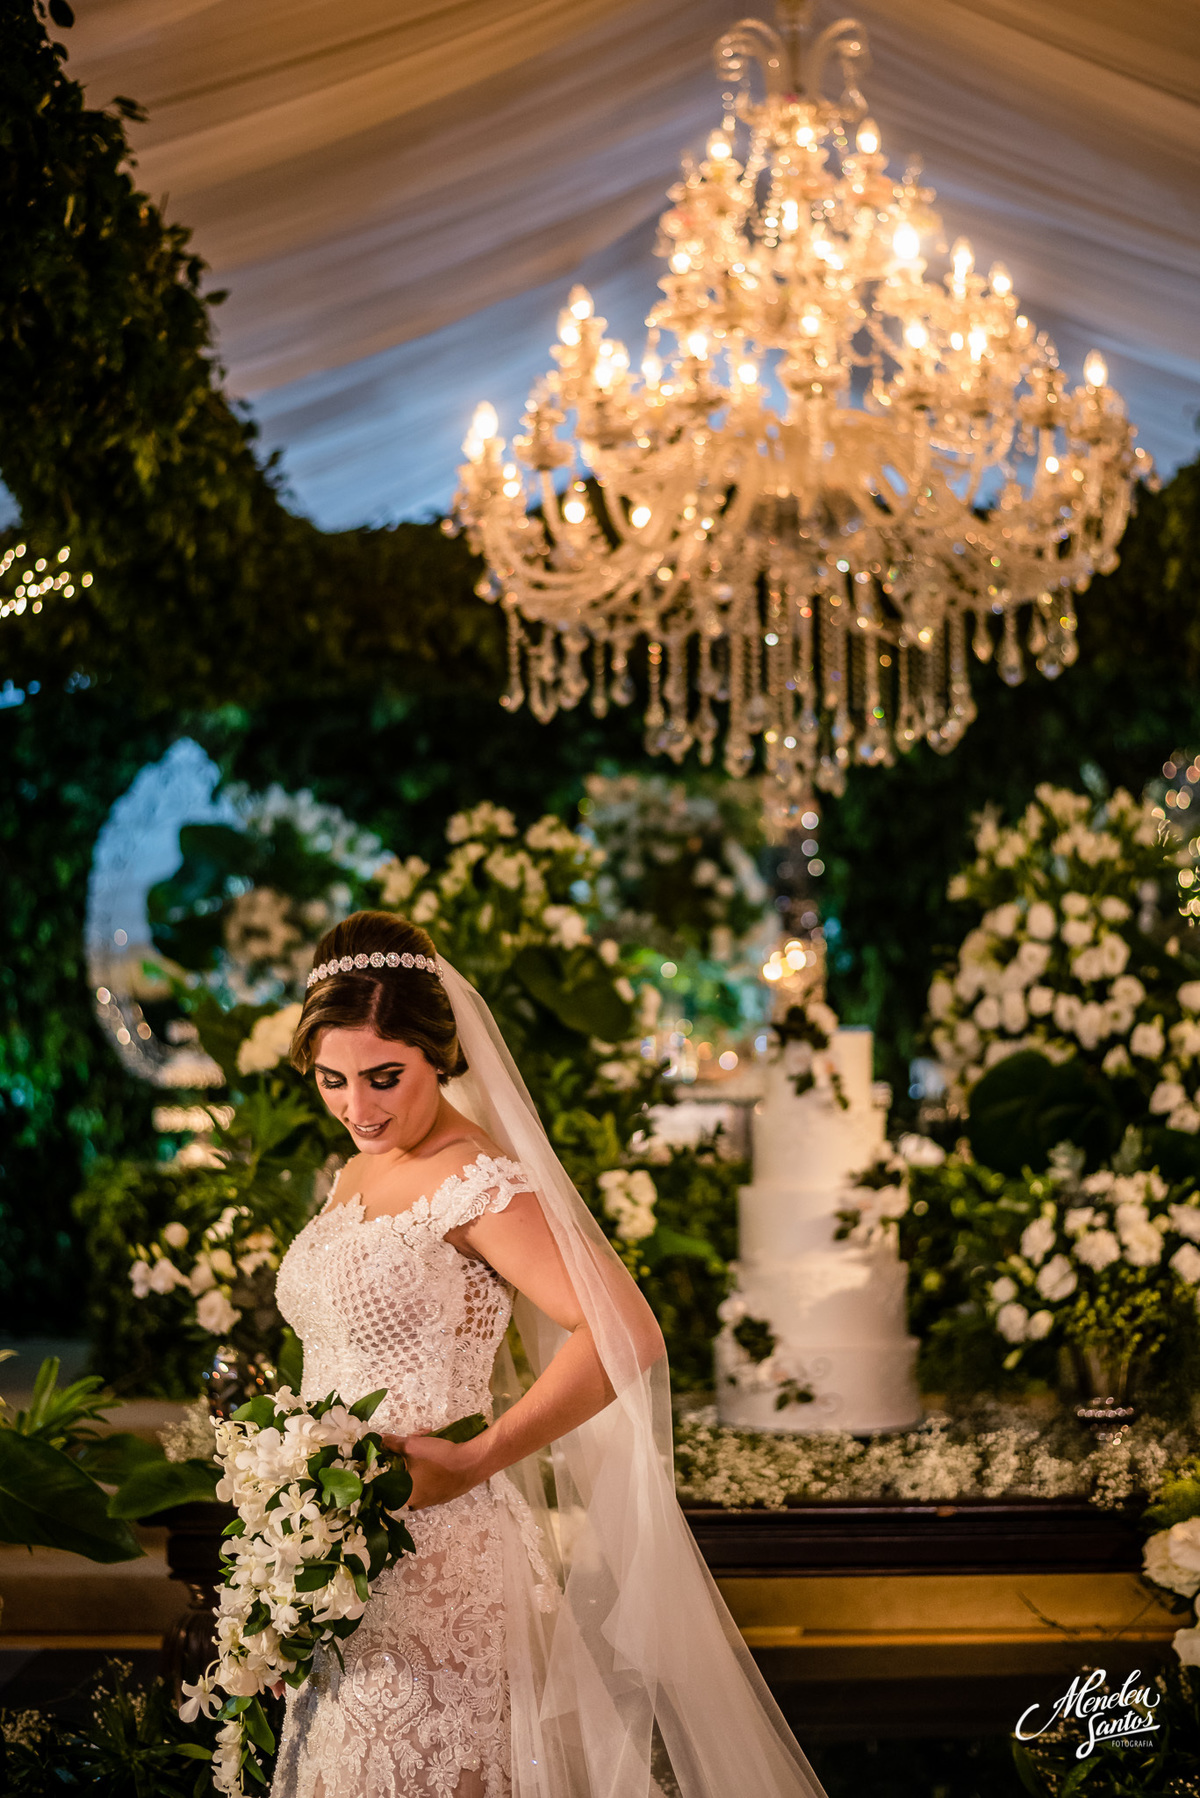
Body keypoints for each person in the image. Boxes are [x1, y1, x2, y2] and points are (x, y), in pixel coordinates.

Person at [271, 910, 825, 1798]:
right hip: (339, 1558)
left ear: (441, 1055)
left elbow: (625, 1335)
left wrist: (477, 1458)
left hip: (437, 1563)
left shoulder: (474, 1177)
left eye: (384, 1078)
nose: (358, 1109)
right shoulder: (355, 1168)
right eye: (333, 1081)